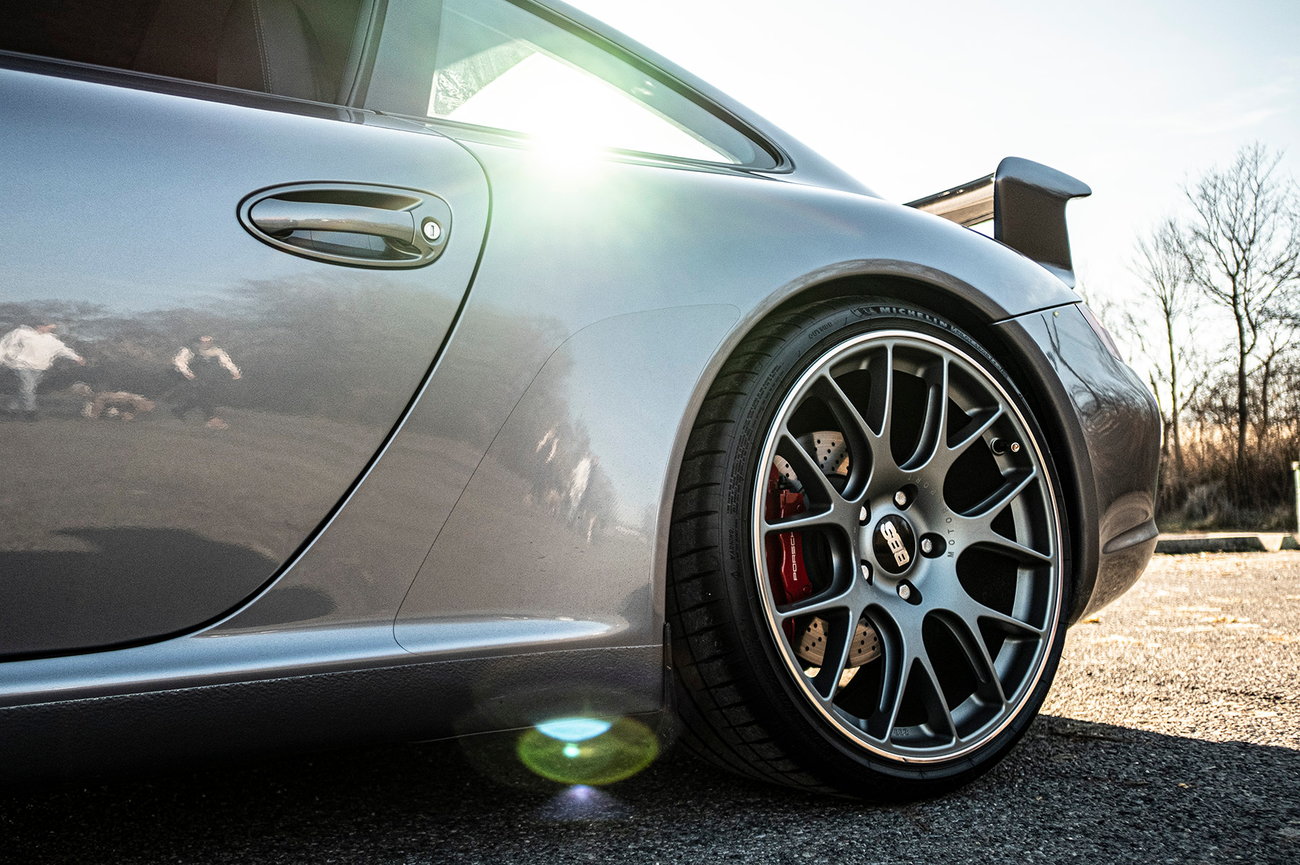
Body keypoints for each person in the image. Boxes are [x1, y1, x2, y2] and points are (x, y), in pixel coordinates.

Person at [0, 322, 85, 420]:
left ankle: (11, 408)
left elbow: (63, 349)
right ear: (40, 326)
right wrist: (6, 356)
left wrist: (77, 358)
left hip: (39, 368)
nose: (50, 329)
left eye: (51, 328)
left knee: (27, 388)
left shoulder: (51, 339)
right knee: (28, 388)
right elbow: (7, 343)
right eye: (49, 327)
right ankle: (30, 411)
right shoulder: (22, 333)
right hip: (22, 365)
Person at [170, 335, 242, 429]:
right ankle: (211, 418)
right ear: (199, 341)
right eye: (204, 342)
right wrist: (187, 373)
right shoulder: (190, 350)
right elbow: (179, 361)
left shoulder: (217, 351)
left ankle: (179, 410)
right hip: (194, 377)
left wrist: (235, 372)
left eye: (208, 342)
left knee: (201, 396)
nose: (206, 344)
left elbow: (227, 362)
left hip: (211, 378)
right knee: (203, 394)